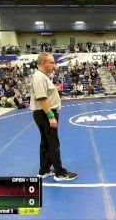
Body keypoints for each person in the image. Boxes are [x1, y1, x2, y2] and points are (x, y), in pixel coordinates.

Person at [30, 52, 77, 181]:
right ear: (42, 63)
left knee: (45, 142)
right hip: (45, 114)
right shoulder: (39, 77)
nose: (54, 65)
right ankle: (59, 173)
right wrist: (51, 116)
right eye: (51, 62)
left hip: (43, 113)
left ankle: (44, 170)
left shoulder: (43, 76)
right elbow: (42, 98)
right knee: (53, 143)